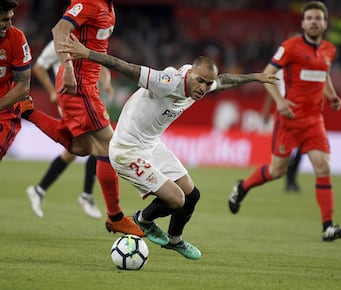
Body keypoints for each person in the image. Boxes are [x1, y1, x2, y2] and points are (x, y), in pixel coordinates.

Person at [58, 32, 278, 259]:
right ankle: (141, 220)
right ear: (191, 74)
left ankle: (175, 240)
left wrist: (254, 77)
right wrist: (88, 54)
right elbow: (126, 67)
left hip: (151, 145)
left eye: (207, 84)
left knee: (192, 196)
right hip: (127, 150)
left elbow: (224, 81)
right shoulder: (167, 82)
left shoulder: (203, 85)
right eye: (200, 81)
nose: (203, 88)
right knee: (176, 199)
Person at [20, 0, 144, 237]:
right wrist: (67, 68)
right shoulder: (89, 2)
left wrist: (103, 74)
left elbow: (94, 46)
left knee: (80, 146)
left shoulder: (109, 8)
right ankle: (115, 217)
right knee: (110, 147)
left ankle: (28, 111)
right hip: (78, 86)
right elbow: (59, 30)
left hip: (88, 86)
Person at [228, 1, 341, 242]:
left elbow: (322, 75)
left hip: (315, 121)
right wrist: (280, 101)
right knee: (276, 171)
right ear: (303, 23)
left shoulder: (328, 50)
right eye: (310, 18)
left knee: (323, 167)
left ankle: (328, 226)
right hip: (289, 120)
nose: (314, 22)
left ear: (325, 23)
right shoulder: (290, 47)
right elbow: (266, 74)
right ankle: (242, 187)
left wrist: (331, 95)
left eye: (319, 18)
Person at [26, 40, 115, 219]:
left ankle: (39, 189)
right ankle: (87, 195)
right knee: (100, 144)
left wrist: (105, 83)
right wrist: (52, 91)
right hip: (72, 100)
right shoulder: (58, 43)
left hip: (90, 98)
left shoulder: (90, 39)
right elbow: (39, 68)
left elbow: (101, 64)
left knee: (75, 151)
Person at [0, 0, 32, 161]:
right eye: (4, 19)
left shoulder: (16, 38)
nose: (9, 24)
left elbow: (23, 86)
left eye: (10, 18)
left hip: (4, 114)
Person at [261, 69, 302, 192]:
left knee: (301, 148)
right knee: (286, 148)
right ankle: (289, 179)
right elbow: (270, 90)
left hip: (300, 112)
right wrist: (266, 110)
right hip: (283, 114)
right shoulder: (279, 69)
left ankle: (291, 178)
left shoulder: (299, 67)